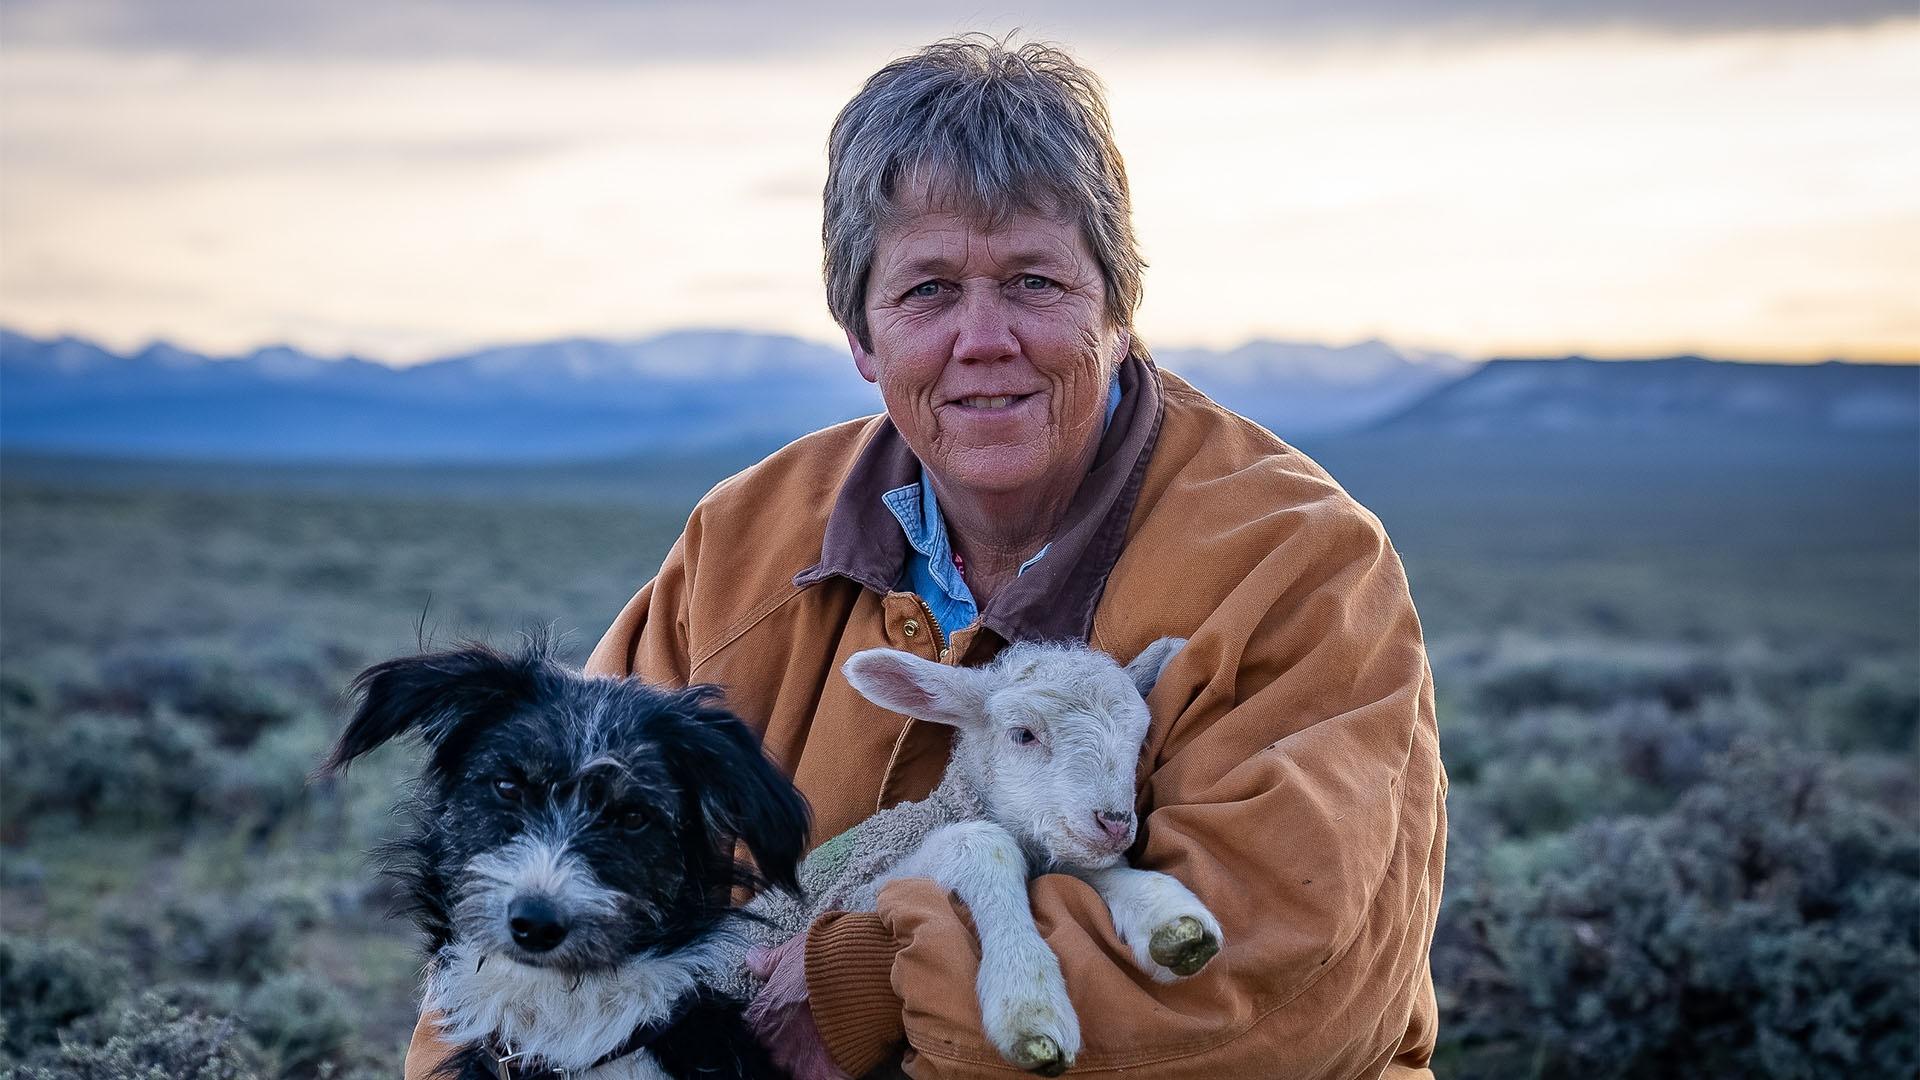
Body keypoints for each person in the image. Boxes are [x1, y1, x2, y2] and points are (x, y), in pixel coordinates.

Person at [405, 35, 1444, 1079]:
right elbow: (531, 923)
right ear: (862, 334)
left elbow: (1262, 983)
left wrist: (865, 983)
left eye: (1035, 281)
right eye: (928, 290)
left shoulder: (1300, 564)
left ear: (1118, 311)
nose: (984, 338)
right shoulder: (745, 541)